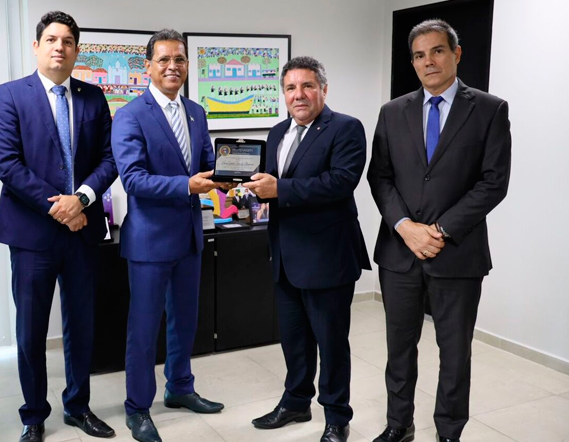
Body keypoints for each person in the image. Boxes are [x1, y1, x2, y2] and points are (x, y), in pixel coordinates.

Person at [367, 19, 511, 442]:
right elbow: (380, 177)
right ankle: (399, 425)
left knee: (455, 353)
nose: (428, 61)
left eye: (437, 51)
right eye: (419, 55)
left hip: (458, 254)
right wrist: (405, 227)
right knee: (399, 349)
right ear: (412, 62)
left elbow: (493, 182)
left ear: (456, 53)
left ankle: (449, 432)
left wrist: (441, 230)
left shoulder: (488, 109)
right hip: (399, 254)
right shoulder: (392, 112)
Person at [0, 10, 117, 442]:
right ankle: (33, 414)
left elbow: (109, 159)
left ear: (76, 50)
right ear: (36, 46)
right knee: (31, 329)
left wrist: (81, 199)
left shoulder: (93, 97)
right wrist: (60, 207)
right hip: (32, 235)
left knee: (81, 325)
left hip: (82, 231)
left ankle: (78, 407)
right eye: (51, 39)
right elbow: (8, 165)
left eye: (67, 41)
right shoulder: (11, 95)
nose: (59, 47)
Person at [243, 56, 370, 442]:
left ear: (323, 90)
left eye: (307, 86)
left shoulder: (345, 128)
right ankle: (296, 402)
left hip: (327, 258)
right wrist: (247, 189)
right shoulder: (277, 132)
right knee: (294, 340)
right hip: (285, 257)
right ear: (283, 94)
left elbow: (340, 182)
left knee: (331, 344)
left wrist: (278, 189)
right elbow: (270, 185)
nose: (299, 94)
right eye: (291, 88)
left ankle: (336, 416)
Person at [111, 28, 227, 442]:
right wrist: (186, 186)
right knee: (144, 331)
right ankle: (137, 408)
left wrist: (230, 176)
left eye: (179, 59)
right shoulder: (129, 115)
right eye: (164, 59)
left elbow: (208, 163)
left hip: (189, 238)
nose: (172, 66)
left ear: (187, 65)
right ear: (148, 67)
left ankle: (179, 387)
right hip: (149, 241)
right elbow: (133, 179)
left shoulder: (196, 112)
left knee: (185, 322)